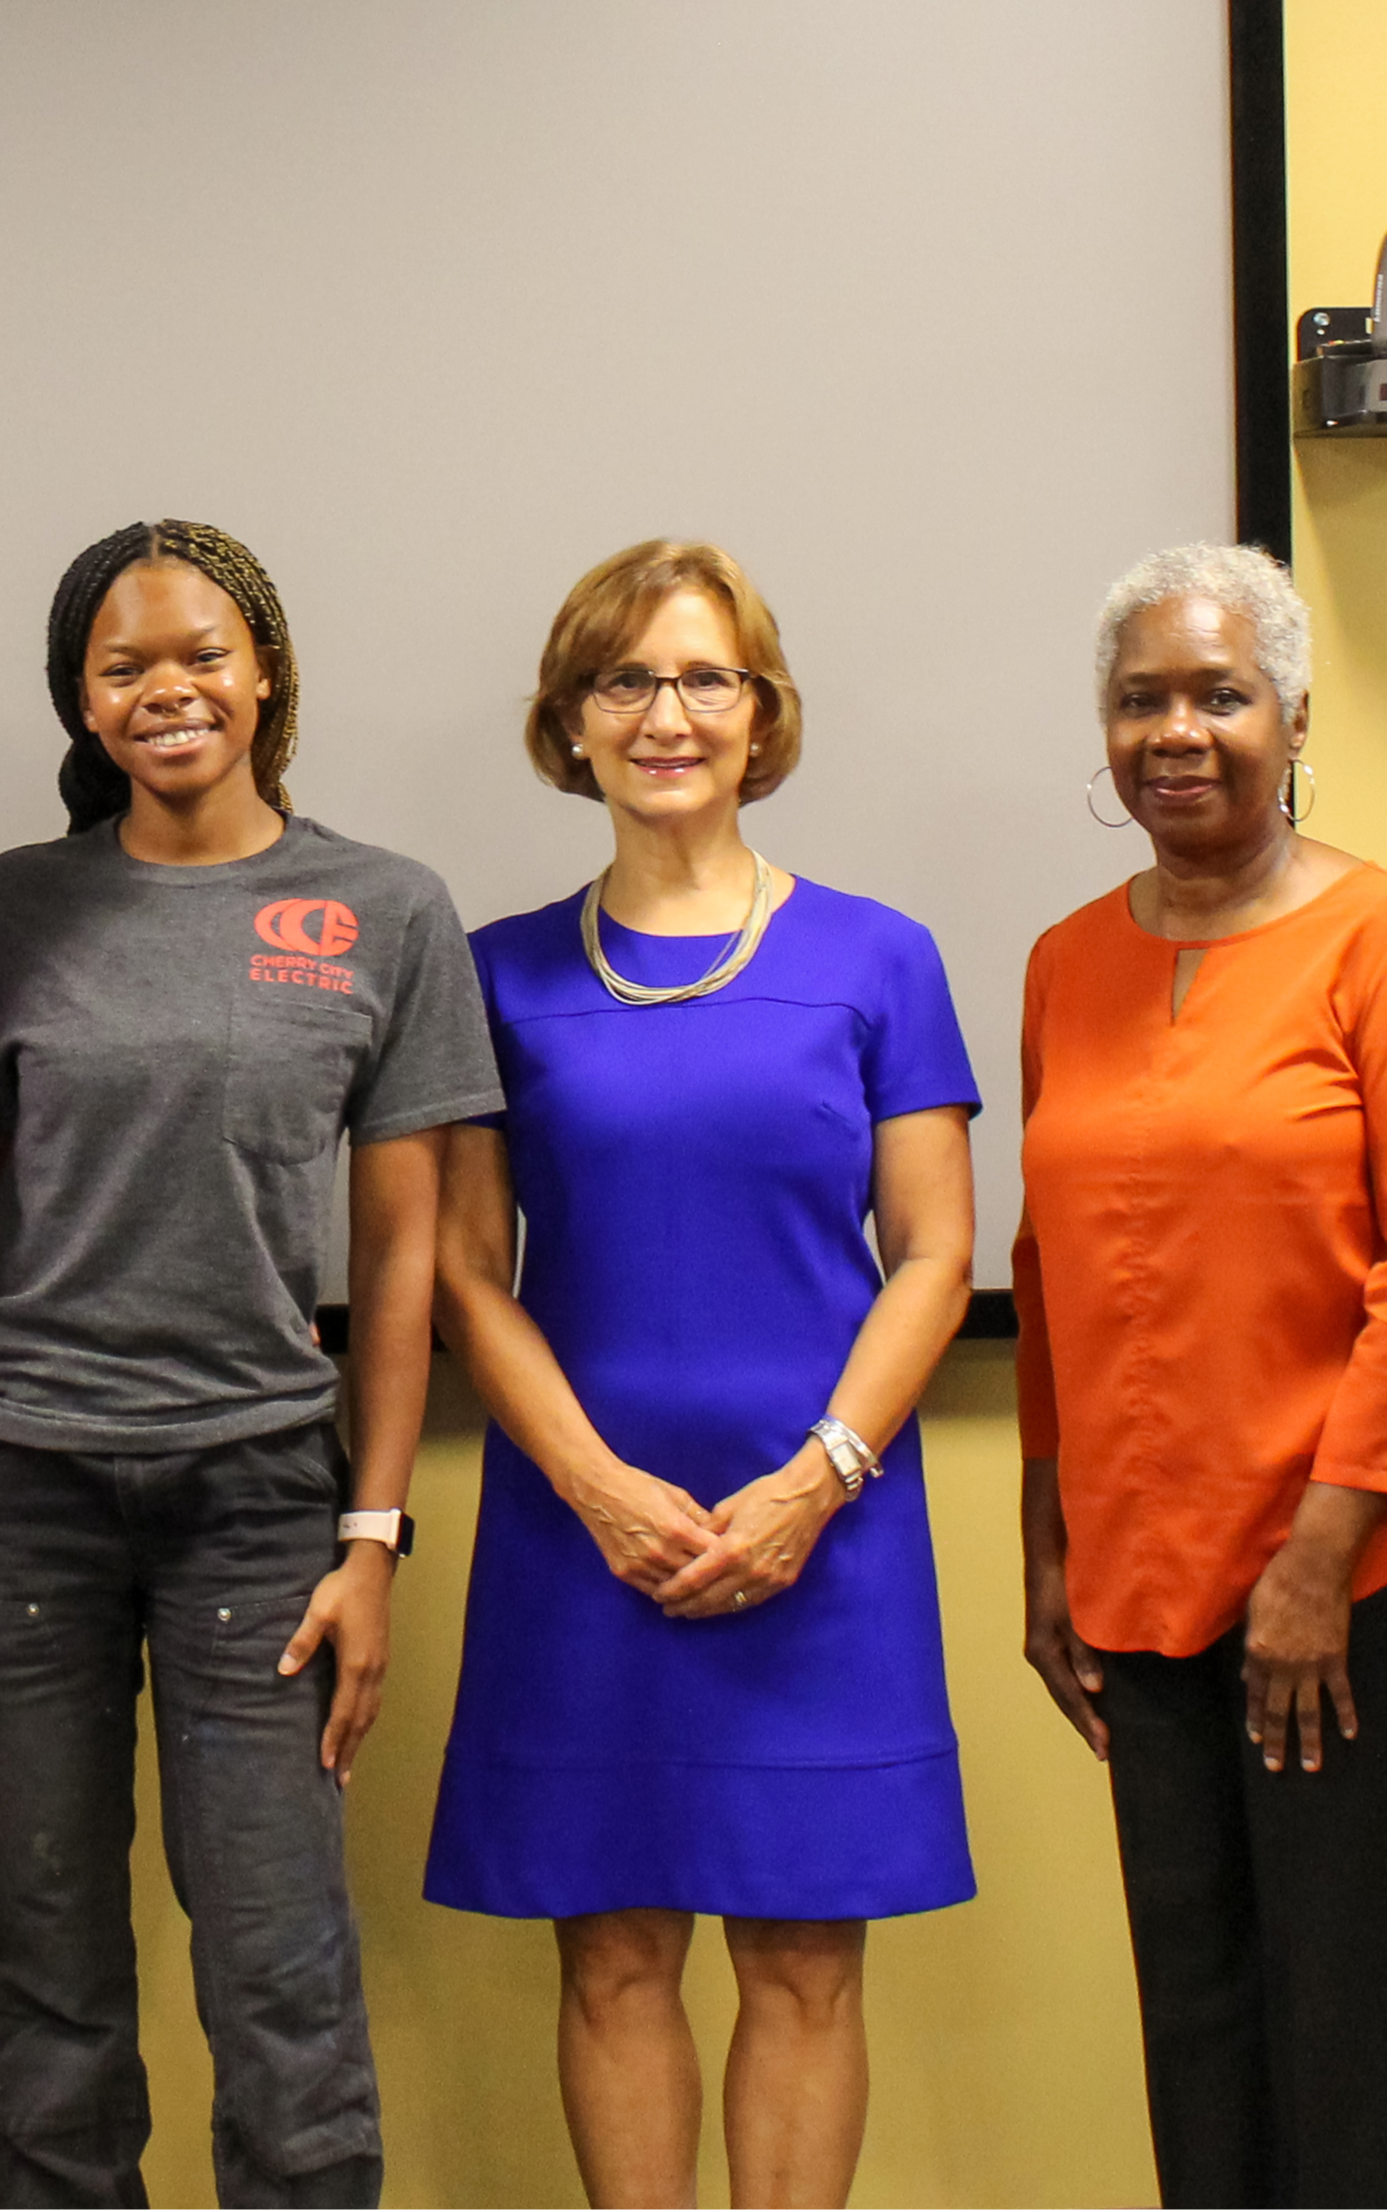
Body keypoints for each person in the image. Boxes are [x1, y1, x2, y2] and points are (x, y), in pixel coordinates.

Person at [0, 517, 494, 2210]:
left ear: (263, 676)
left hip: (258, 1504)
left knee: (280, 1983)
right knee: (50, 1993)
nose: (167, 687)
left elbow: (400, 1258)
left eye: (201, 654)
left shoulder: (381, 910)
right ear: (79, 705)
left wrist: (371, 1535)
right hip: (15, 1491)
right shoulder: (7, 907)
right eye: (123, 666)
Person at [429, 540, 978, 2210]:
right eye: (625, 681)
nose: (665, 714)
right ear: (571, 723)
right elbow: (463, 1270)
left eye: (704, 679)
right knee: (607, 1959)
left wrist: (815, 1482)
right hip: (581, 1541)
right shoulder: (499, 973)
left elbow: (936, 1257)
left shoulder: (880, 958)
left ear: (760, 715)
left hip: (824, 1526)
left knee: (806, 1966)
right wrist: (594, 1491)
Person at [1011, 540, 1387, 2210]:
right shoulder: (1064, 962)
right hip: (1141, 1578)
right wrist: (1044, 1539)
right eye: (1140, 698)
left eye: (1217, 695)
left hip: (1349, 1582)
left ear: (1291, 717)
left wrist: (1321, 1555)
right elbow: (1049, 1270)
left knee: (1340, 2016)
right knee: (1197, 2013)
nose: (1176, 730)